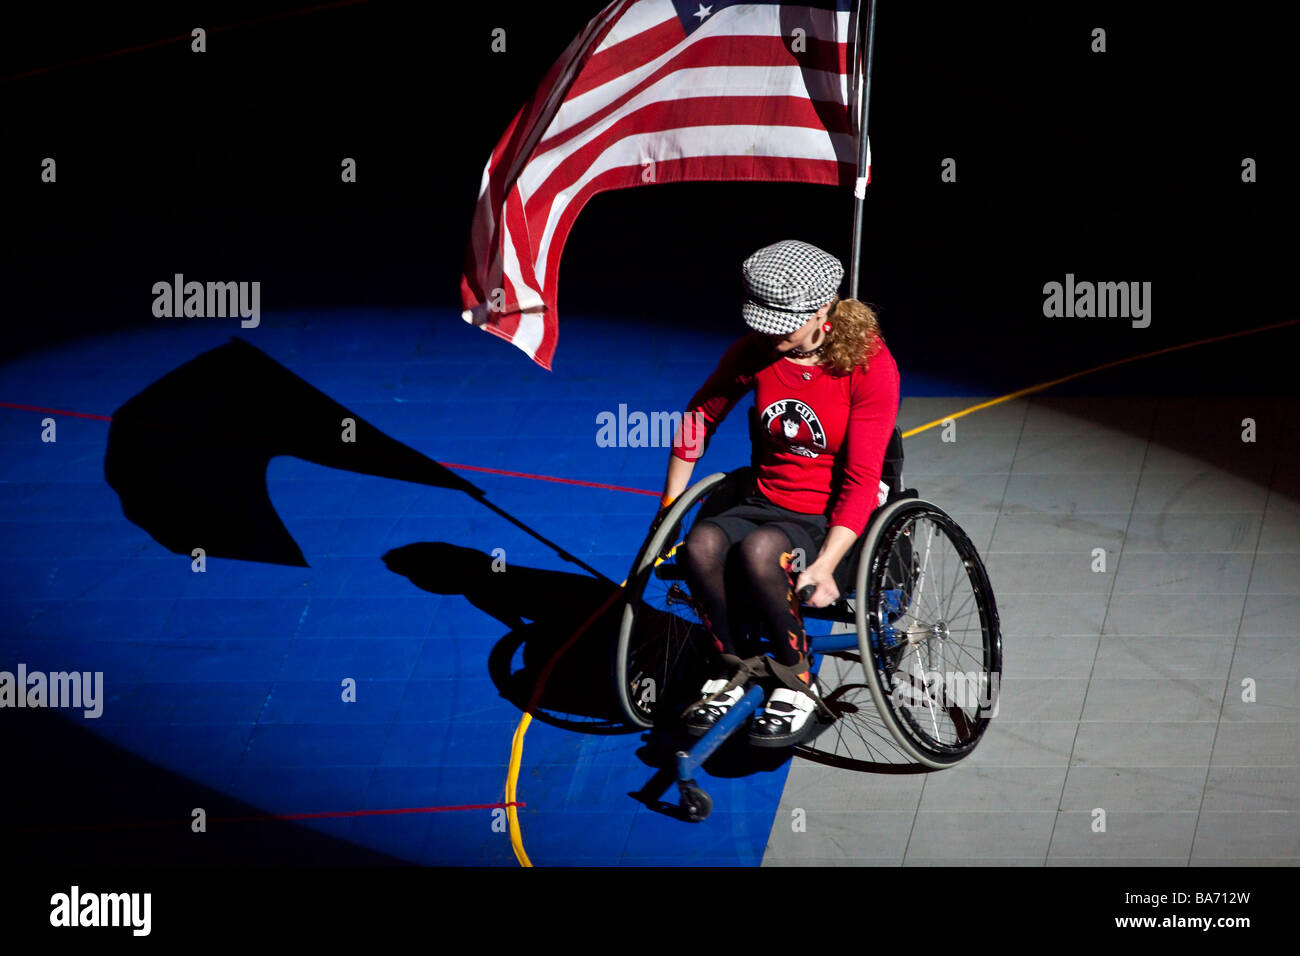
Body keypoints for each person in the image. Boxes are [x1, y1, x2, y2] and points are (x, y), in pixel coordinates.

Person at [658, 239, 900, 747]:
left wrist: (827, 565)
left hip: (829, 515)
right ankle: (729, 663)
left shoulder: (870, 368)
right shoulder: (758, 350)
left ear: (821, 312)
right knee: (700, 543)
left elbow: (860, 482)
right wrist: (668, 510)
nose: (766, 337)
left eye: (779, 326)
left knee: (762, 550)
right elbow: (698, 419)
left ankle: (796, 679)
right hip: (763, 499)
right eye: (759, 324)